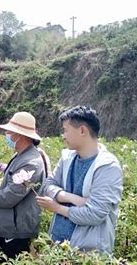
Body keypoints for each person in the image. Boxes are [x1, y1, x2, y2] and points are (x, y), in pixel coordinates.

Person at [36, 106, 123, 254]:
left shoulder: (107, 167)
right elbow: (48, 185)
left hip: (87, 254)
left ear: (82, 131)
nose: (63, 136)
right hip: (56, 245)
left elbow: (95, 214)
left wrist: (57, 208)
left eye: (65, 130)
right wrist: (73, 198)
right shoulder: (67, 158)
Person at [0, 112, 46, 261]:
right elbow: (9, 183)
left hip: (16, 230)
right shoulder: (20, 156)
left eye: (9, 132)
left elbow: (10, 196)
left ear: (19, 135)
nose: (6, 134)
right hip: (7, 226)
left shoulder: (31, 162)